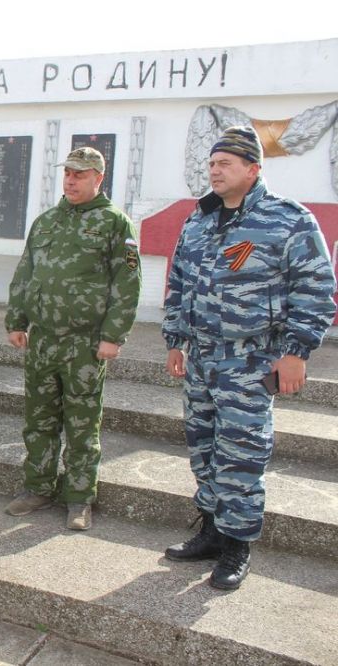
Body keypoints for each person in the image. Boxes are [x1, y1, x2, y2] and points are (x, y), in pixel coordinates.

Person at [162, 126, 336, 590]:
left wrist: (296, 352)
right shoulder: (198, 220)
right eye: (212, 164)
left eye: (225, 164)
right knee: (203, 449)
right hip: (200, 358)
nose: (214, 171)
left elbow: (317, 290)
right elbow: (178, 284)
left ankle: (238, 546)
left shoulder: (288, 220)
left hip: (251, 361)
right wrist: (175, 340)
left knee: (241, 455)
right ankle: (212, 531)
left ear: (253, 169)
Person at [3, 147, 141, 530]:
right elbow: (26, 272)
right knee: (39, 419)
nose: (71, 180)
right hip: (43, 340)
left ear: (99, 177)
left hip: (84, 344)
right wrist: (17, 319)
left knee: (82, 422)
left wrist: (113, 336)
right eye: (68, 172)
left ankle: (79, 498)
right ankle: (38, 487)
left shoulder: (115, 224)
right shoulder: (46, 222)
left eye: (80, 174)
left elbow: (127, 285)